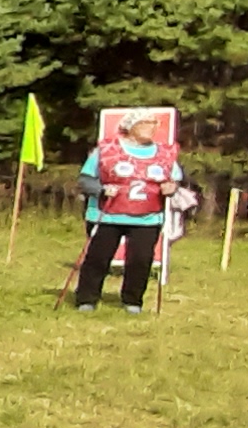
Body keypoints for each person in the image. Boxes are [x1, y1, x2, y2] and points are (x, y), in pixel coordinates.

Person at [74, 110, 179, 312]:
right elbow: (85, 180)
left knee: (140, 260)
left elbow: (174, 180)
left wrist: (171, 188)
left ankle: (132, 300)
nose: (151, 127)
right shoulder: (106, 150)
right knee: (98, 257)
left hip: (147, 217)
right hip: (107, 215)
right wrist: (101, 189)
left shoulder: (164, 153)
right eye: (145, 123)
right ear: (131, 126)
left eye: (153, 123)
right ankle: (87, 298)